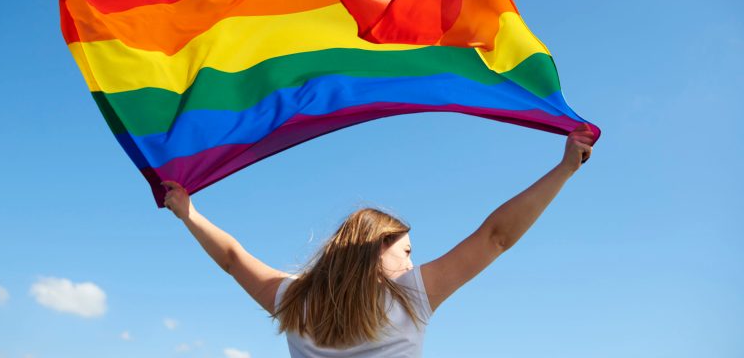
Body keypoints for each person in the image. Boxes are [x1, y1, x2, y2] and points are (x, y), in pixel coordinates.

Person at [161, 123, 595, 357]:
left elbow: (234, 261)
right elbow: (495, 237)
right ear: (374, 249)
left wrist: (190, 214)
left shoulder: (295, 302)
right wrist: (564, 170)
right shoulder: (410, 296)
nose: (410, 264)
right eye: (405, 251)